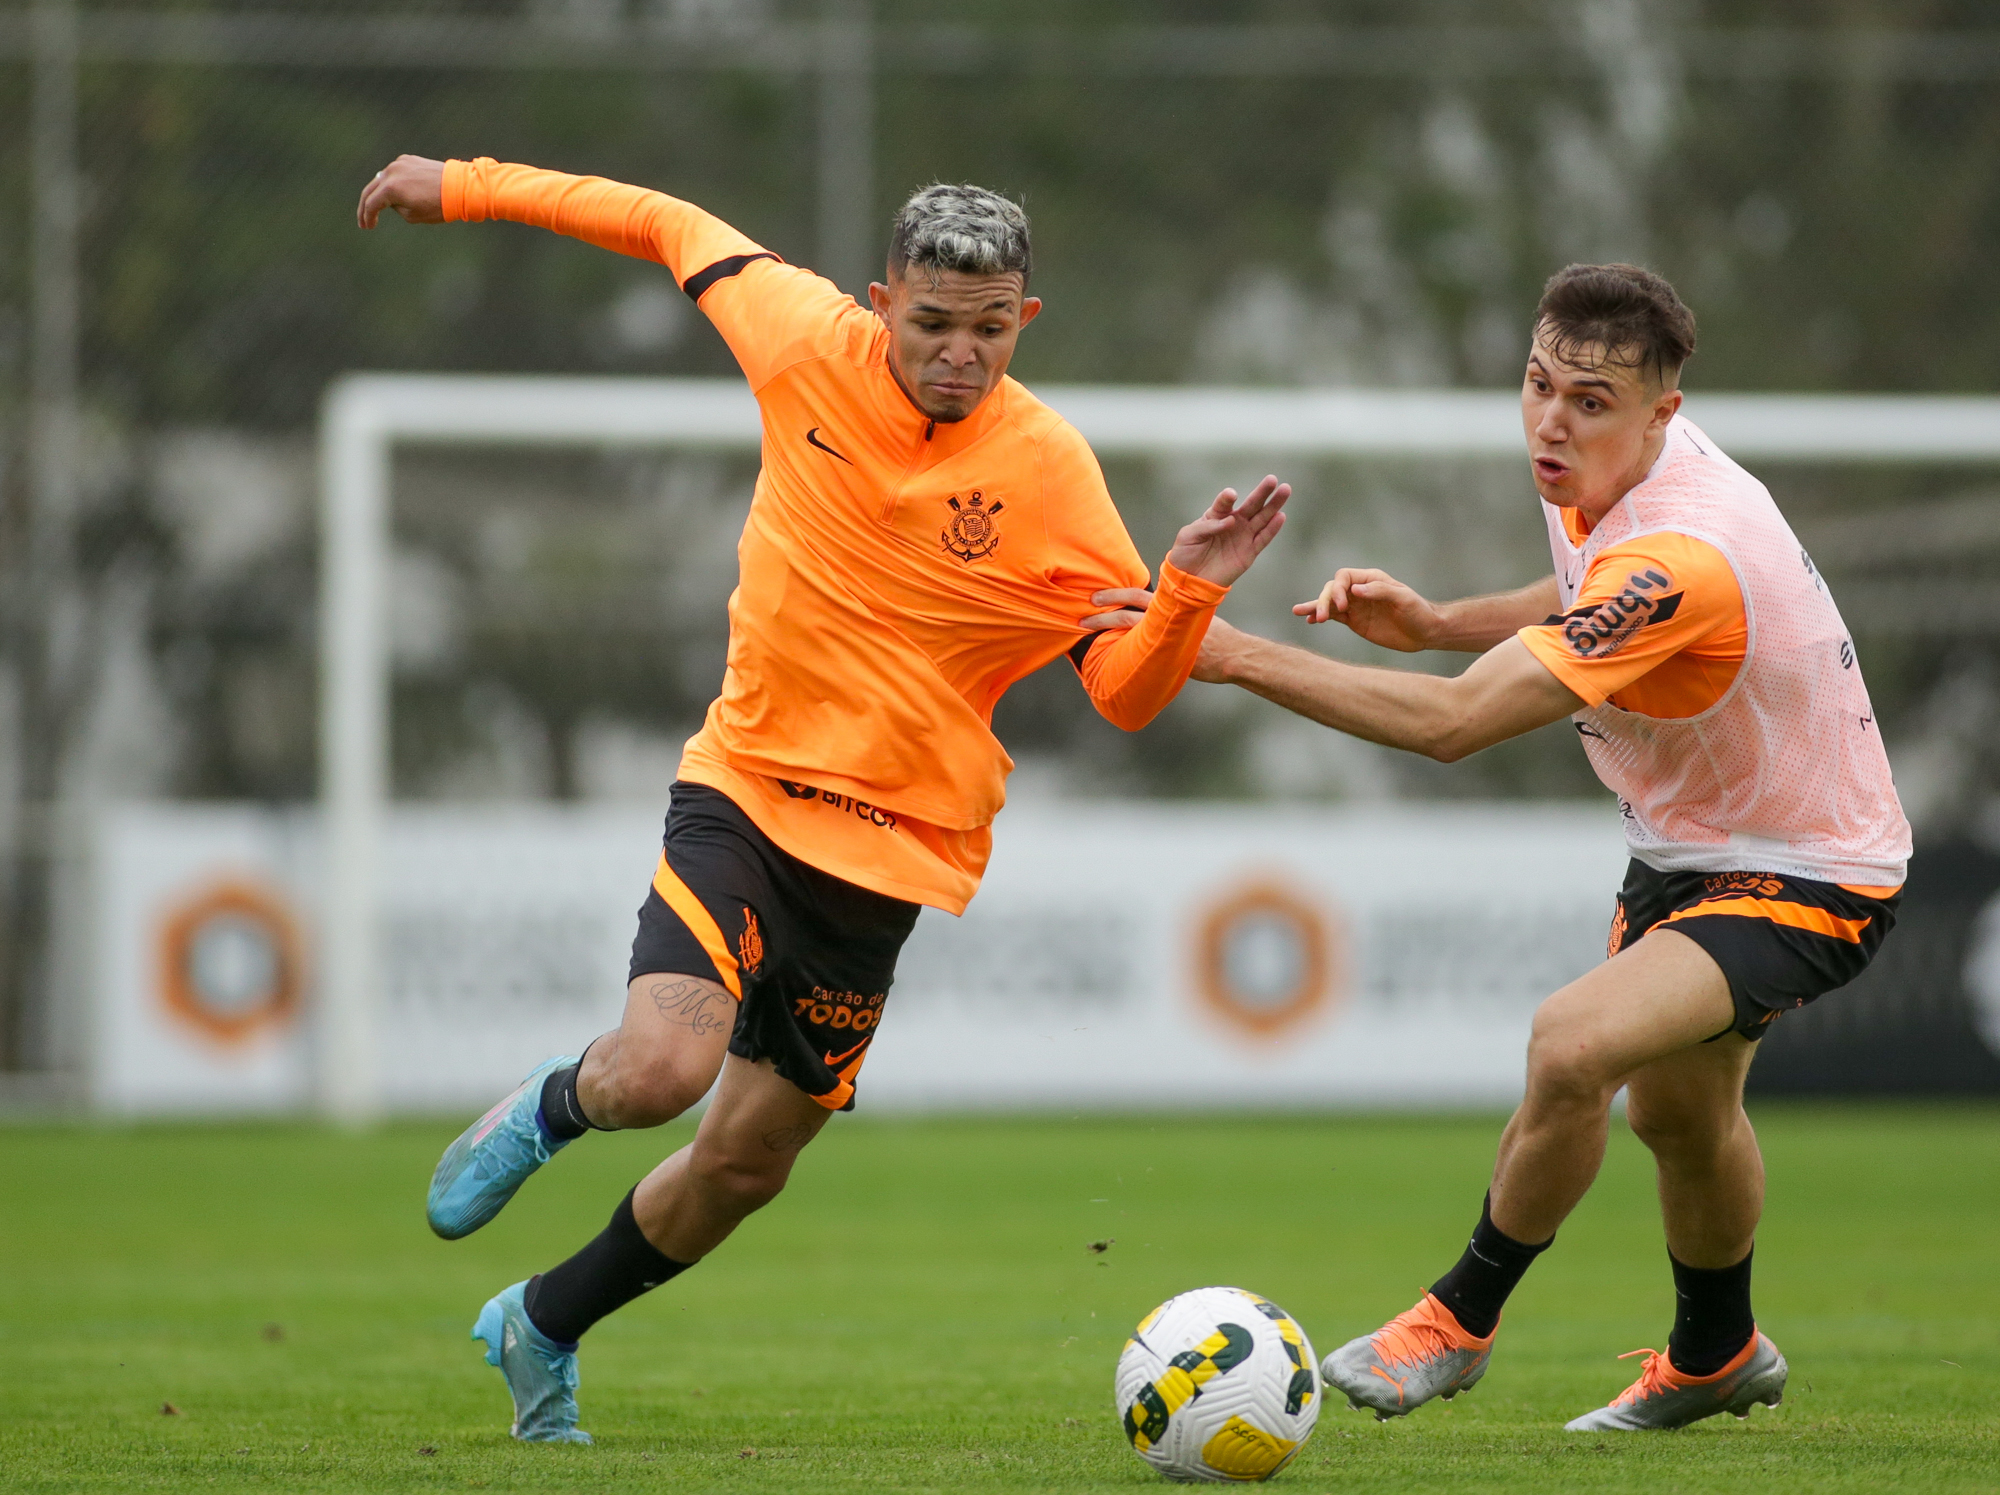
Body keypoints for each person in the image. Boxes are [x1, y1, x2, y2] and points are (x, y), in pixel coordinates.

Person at [356, 155, 1288, 1444]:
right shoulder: (798, 334)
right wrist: (459, 184)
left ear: (1025, 318)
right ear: (877, 301)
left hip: (889, 858)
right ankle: (553, 1105)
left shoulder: (1050, 471)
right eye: (932, 322)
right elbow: (660, 219)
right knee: (660, 1071)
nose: (960, 353)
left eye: (989, 328)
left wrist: (1183, 590)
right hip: (745, 792)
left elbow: (1122, 693)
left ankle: (542, 1323)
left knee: (745, 1164)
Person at [1092, 263, 1909, 1431]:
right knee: (1676, 1117)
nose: (1549, 421)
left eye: (1588, 401)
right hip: (1680, 847)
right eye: (1536, 384)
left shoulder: (1686, 553)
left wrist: (1222, 652)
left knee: (1570, 1045)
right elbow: (1584, 586)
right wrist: (1438, 622)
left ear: (1661, 413)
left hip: (1809, 866)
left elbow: (1453, 724)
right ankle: (1716, 1352)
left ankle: (1454, 1319)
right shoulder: (1608, 475)